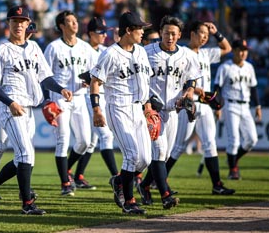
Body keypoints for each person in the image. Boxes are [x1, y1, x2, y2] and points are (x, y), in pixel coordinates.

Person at [0, 5, 73, 215]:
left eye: (22, 21)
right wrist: (9, 102)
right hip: (10, 107)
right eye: (15, 21)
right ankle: (27, 203)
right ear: (9, 24)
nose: (19, 24)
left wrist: (61, 88)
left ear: (28, 23)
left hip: (29, 108)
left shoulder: (34, 48)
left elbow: (45, 78)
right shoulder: (0, 51)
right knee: (24, 154)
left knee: (25, 158)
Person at [89, 11, 152, 215]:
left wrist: (148, 106)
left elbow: (146, 81)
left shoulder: (141, 52)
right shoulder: (110, 54)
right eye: (139, 28)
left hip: (138, 108)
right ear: (128, 30)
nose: (143, 32)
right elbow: (95, 82)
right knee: (132, 155)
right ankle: (129, 201)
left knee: (145, 159)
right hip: (118, 107)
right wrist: (97, 109)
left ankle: (118, 181)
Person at [137, 15, 201, 210]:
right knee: (159, 151)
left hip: (173, 111)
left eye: (173, 34)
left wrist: (189, 93)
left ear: (179, 35)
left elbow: (191, 80)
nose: (170, 37)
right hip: (152, 111)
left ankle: (145, 185)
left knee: (163, 157)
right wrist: (145, 104)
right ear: (161, 33)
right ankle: (165, 195)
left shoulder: (188, 55)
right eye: (166, 33)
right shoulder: (146, 52)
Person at [167, 21, 235, 195]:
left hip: (204, 105)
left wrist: (216, 32)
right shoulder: (182, 53)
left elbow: (227, 48)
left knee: (210, 144)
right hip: (189, 103)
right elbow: (181, 81)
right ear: (192, 34)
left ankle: (217, 185)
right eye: (202, 33)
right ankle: (154, 181)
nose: (205, 36)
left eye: (207, 34)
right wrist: (201, 91)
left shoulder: (206, 54)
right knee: (179, 147)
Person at [43, 10, 97, 196]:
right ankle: (65, 183)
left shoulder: (85, 47)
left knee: (84, 141)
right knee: (63, 138)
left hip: (80, 97)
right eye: (70, 21)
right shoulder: (53, 47)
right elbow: (44, 75)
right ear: (61, 26)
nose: (75, 24)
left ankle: (67, 170)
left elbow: (95, 71)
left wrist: (89, 80)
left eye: (75, 21)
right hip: (60, 99)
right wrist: (47, 100)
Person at [77, 18, 119, 190]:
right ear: (90, 34)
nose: (104, 35)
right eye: (100, 31)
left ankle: (77, 175)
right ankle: (117, 177)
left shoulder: (105, 50)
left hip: (105, 95)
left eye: (105, 31)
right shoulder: (83, 50)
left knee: (93, 141)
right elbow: (80, 74)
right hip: (89, 96)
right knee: (106, 136)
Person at [214, 39, 262, 180]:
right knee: (234, 140)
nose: (243, 53)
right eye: (240, 50)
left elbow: (253, 88)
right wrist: (218, 106)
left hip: (245, 106)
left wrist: (258, 106)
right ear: (234, 50)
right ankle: (233, 169)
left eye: (245, 50)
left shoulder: (249, 67)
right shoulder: (225, 67)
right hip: (230, 105)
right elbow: (217, 87)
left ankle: (233, 159)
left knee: (252, 139)